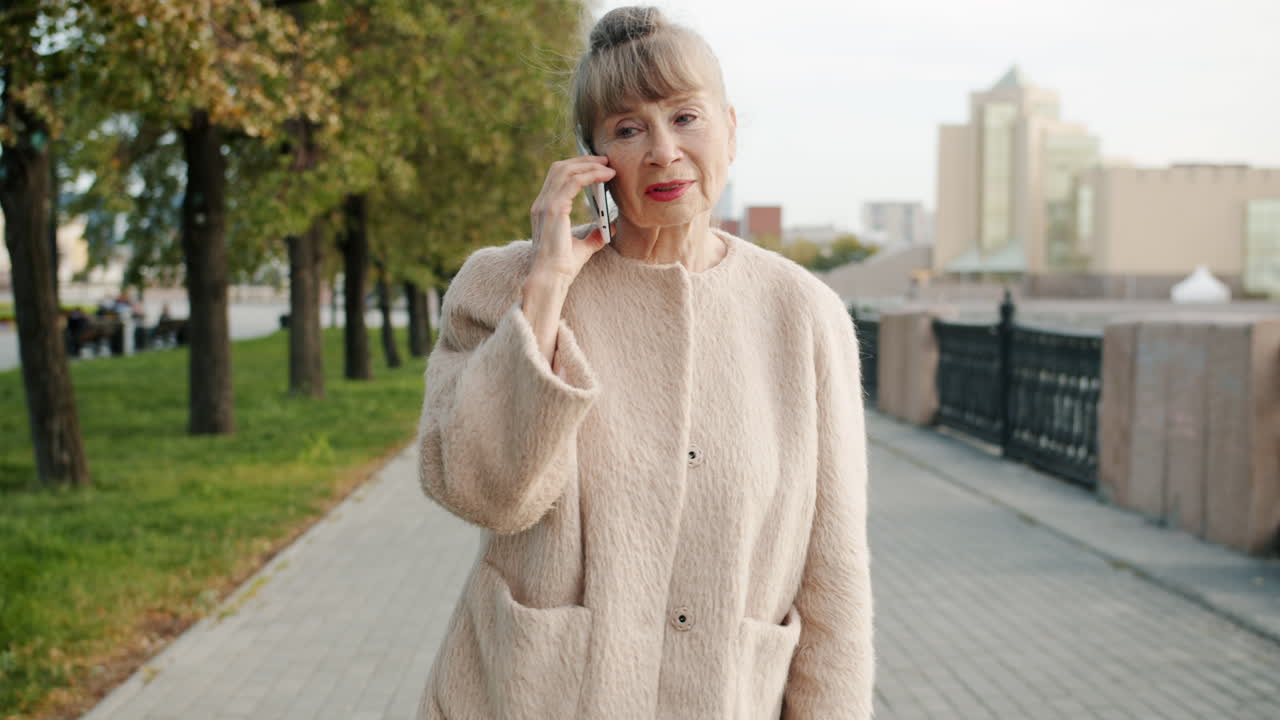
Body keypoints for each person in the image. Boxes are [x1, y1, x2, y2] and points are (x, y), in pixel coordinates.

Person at [414, 7, 874, 719]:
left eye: (685, 117)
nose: (662, 151)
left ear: (729, 127)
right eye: (628, 129)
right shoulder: (503, 287)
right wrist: (543, 292)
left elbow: (834, 581)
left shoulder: (804, 316)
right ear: (592, 159)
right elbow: (485, 493)